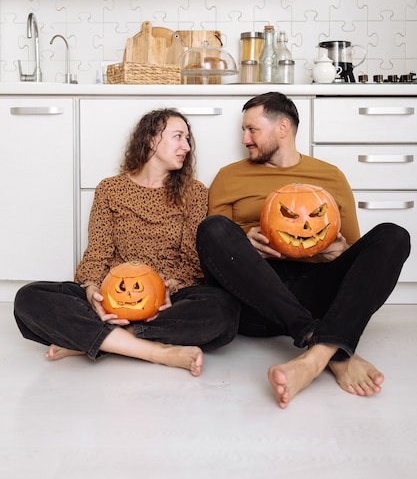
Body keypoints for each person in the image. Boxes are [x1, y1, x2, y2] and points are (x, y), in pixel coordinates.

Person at [196, 92, 410, 406]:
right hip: (254, 298)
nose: (244, 139)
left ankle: (315, 356)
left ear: (283, 128)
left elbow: (353, 252)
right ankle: (329, 346)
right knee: (211, 228)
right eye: (244, 131)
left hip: (316, 291)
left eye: (252, 129)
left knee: (394, 235)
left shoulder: (330, 177)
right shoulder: (229, 177)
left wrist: (331, 252)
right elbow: (217, 251)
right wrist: (247, 244)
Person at [14, 108, 240, 377]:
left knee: (224, 309)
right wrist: (91, 291)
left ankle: (99, 341)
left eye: (188, 139)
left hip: (170, 297)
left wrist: (169, 287)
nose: (187, 147)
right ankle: (157, 351)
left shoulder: (195, 192)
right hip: (113, 294)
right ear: (151, 140)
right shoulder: (110, 189)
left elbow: (192, 262)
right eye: (178, 137)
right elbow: (97, 252)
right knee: (28, 297)